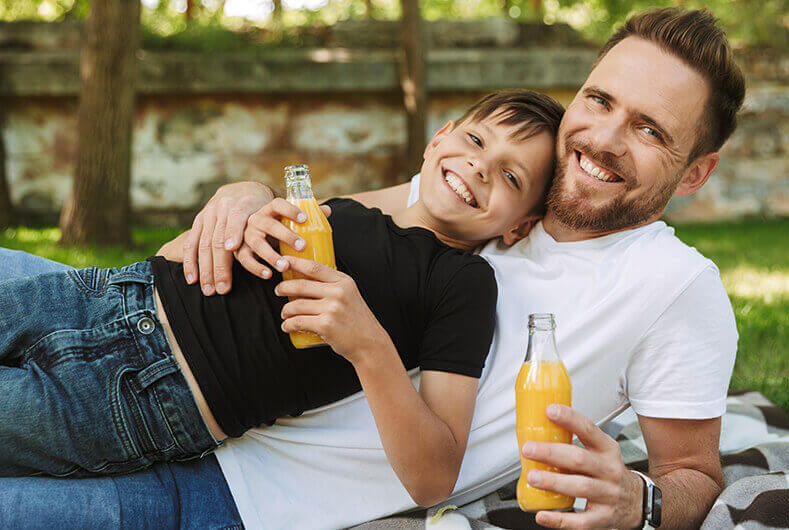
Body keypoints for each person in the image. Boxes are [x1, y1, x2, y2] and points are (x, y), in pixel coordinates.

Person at [0, 7, 744, 529]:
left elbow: (694, 475)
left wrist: (640, 504)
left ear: (693, 174)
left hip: (231, 484)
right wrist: (244, 194)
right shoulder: (486, 194)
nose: (603, 137)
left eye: (648, 129)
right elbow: (333, 217)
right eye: (599, 99)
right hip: (125, 319)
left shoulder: (671, 285)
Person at [0, 91, 563, 520]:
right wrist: (253, 207)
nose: (481, 165)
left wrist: (368, 344)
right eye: (477, 140)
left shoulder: (462, 282)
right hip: (104, 294)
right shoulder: (360, 210)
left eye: (511, 176)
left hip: (144, 390)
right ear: (439, 138)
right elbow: (237, 230)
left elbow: (434, 478)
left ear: (520, 226)